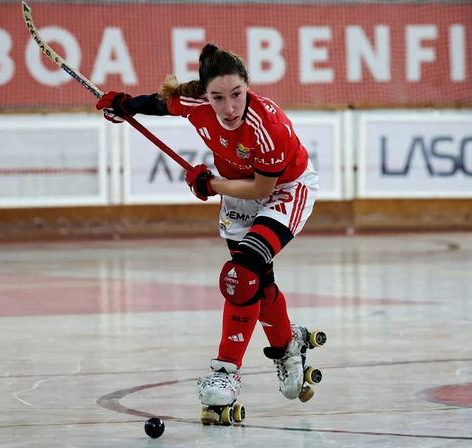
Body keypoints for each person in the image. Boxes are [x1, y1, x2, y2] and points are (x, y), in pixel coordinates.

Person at [95, 43, 323, 423]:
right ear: (206, 95)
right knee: (254, 282)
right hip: (235, 190)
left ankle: (225, 373)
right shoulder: (197, 104)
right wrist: (125, 105)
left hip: (285, 189)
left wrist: (210, 183)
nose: (230, 107)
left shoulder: (269, 126)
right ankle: (287, 344)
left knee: (244, 272)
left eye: (237, 94)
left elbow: (262, 190)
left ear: (248, 86)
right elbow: (162, 103)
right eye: (218, 97)